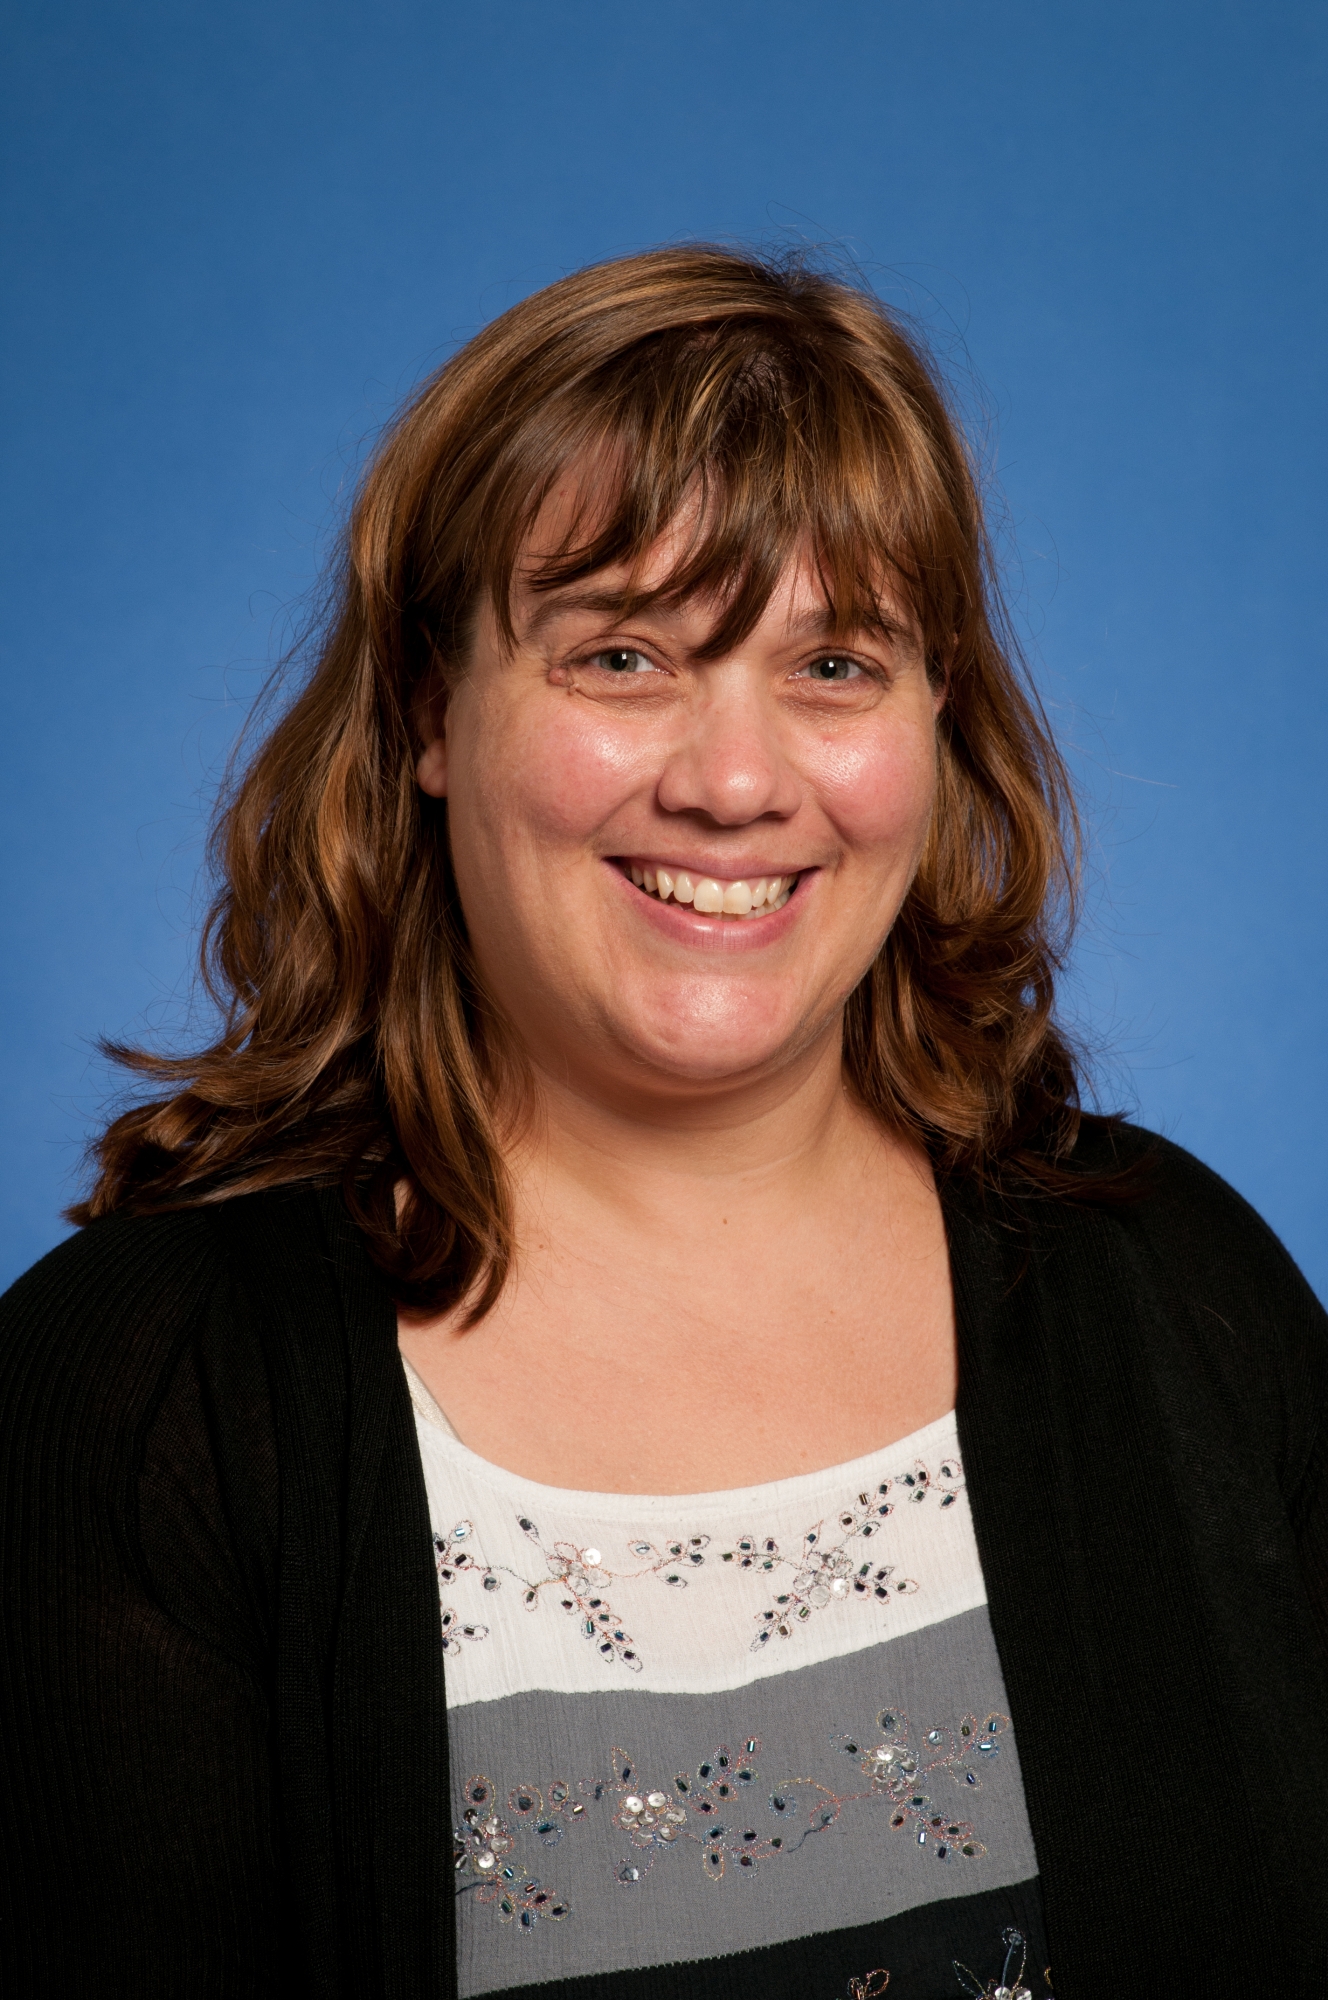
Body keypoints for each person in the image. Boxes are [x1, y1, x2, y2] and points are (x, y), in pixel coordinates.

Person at [1, 246, 1323, 2000]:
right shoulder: (139, 1404)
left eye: (837, 664)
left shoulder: (1180, 1284)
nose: (733, 778)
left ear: (939, 718)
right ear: (427, 714)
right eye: (622, 653)